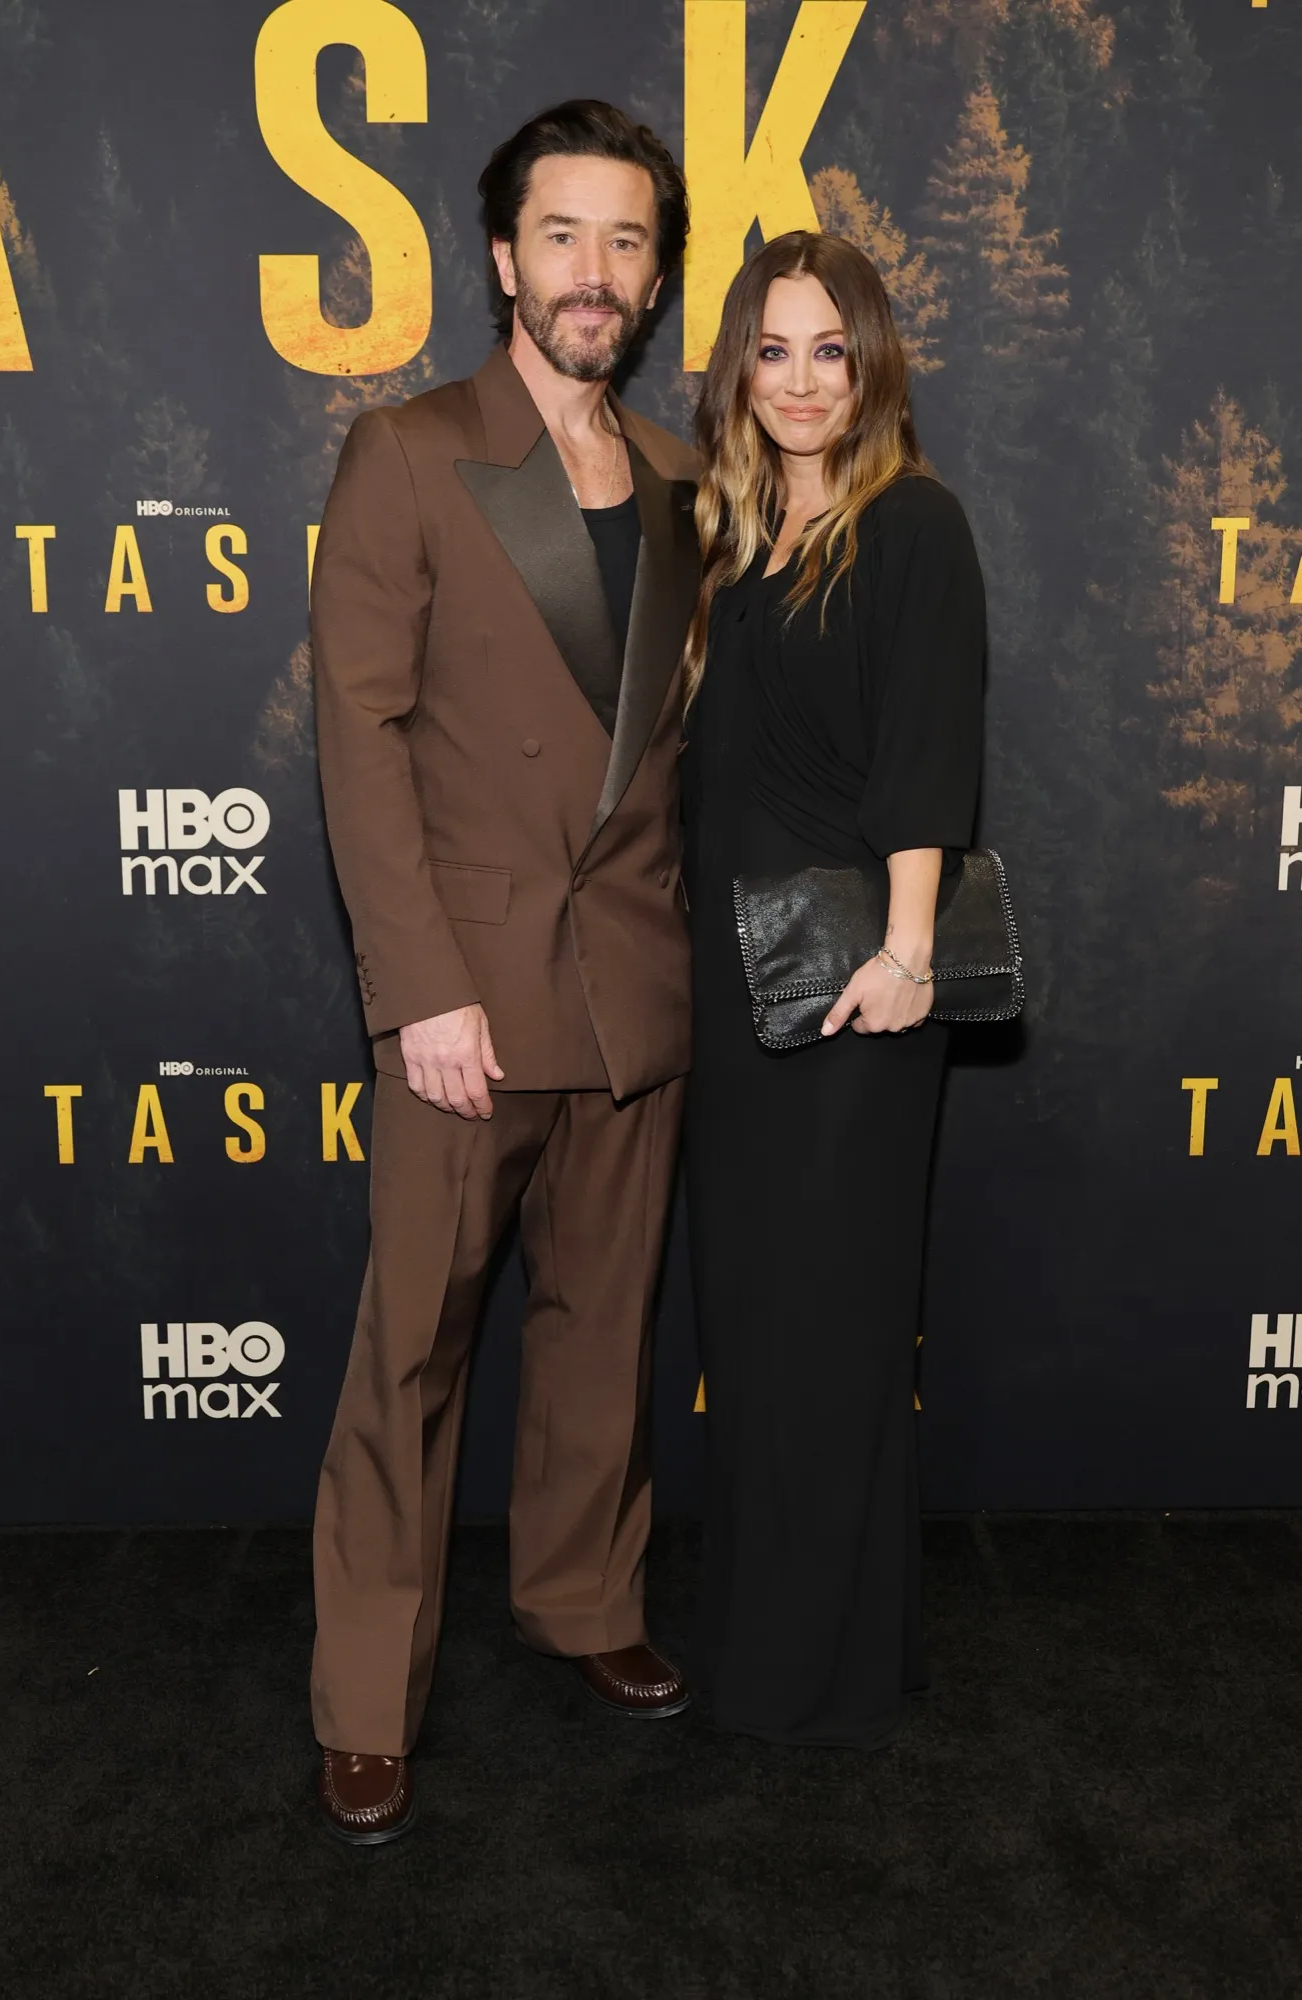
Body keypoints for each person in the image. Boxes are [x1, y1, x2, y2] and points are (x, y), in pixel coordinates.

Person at [308, 101, 701, 1844]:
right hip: (468, 1001)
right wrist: (419, 988)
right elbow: (360, 735)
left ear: (654, 276)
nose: (592, 271)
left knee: (603, 1331)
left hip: (632, 989)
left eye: (625, 240)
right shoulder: (407, 454)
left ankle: (584, 1599)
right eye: (561, 235)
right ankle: (364, 1702)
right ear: (500, 260)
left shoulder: (683, 477)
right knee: (411, 1357)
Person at [682, 231, 986, 1747]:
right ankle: (772, 1644)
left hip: (857, 996)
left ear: (872, 367)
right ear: (741, 367)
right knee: (752, 1327)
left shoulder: (913, 524)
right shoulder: (738, 534)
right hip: (733, 999)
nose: (802, 382)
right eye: (775, 349)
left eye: (831, 351)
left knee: (835, 1328)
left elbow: (930, 751)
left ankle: (826, 1675)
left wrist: (908, 956)